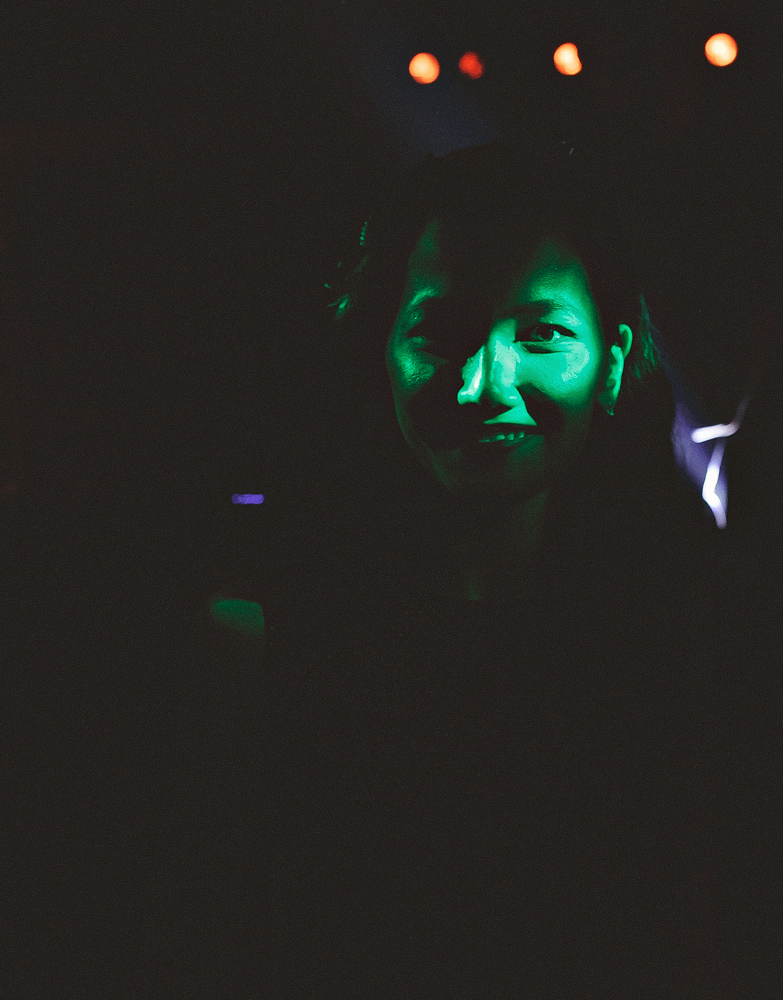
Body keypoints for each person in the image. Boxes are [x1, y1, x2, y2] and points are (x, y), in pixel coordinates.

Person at [155, 141, 736, 993]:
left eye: (541, 333)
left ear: (612, 366)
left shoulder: (692, 633)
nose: (482, 384)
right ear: (378, 352)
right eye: (441, 332)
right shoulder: (258, 639)